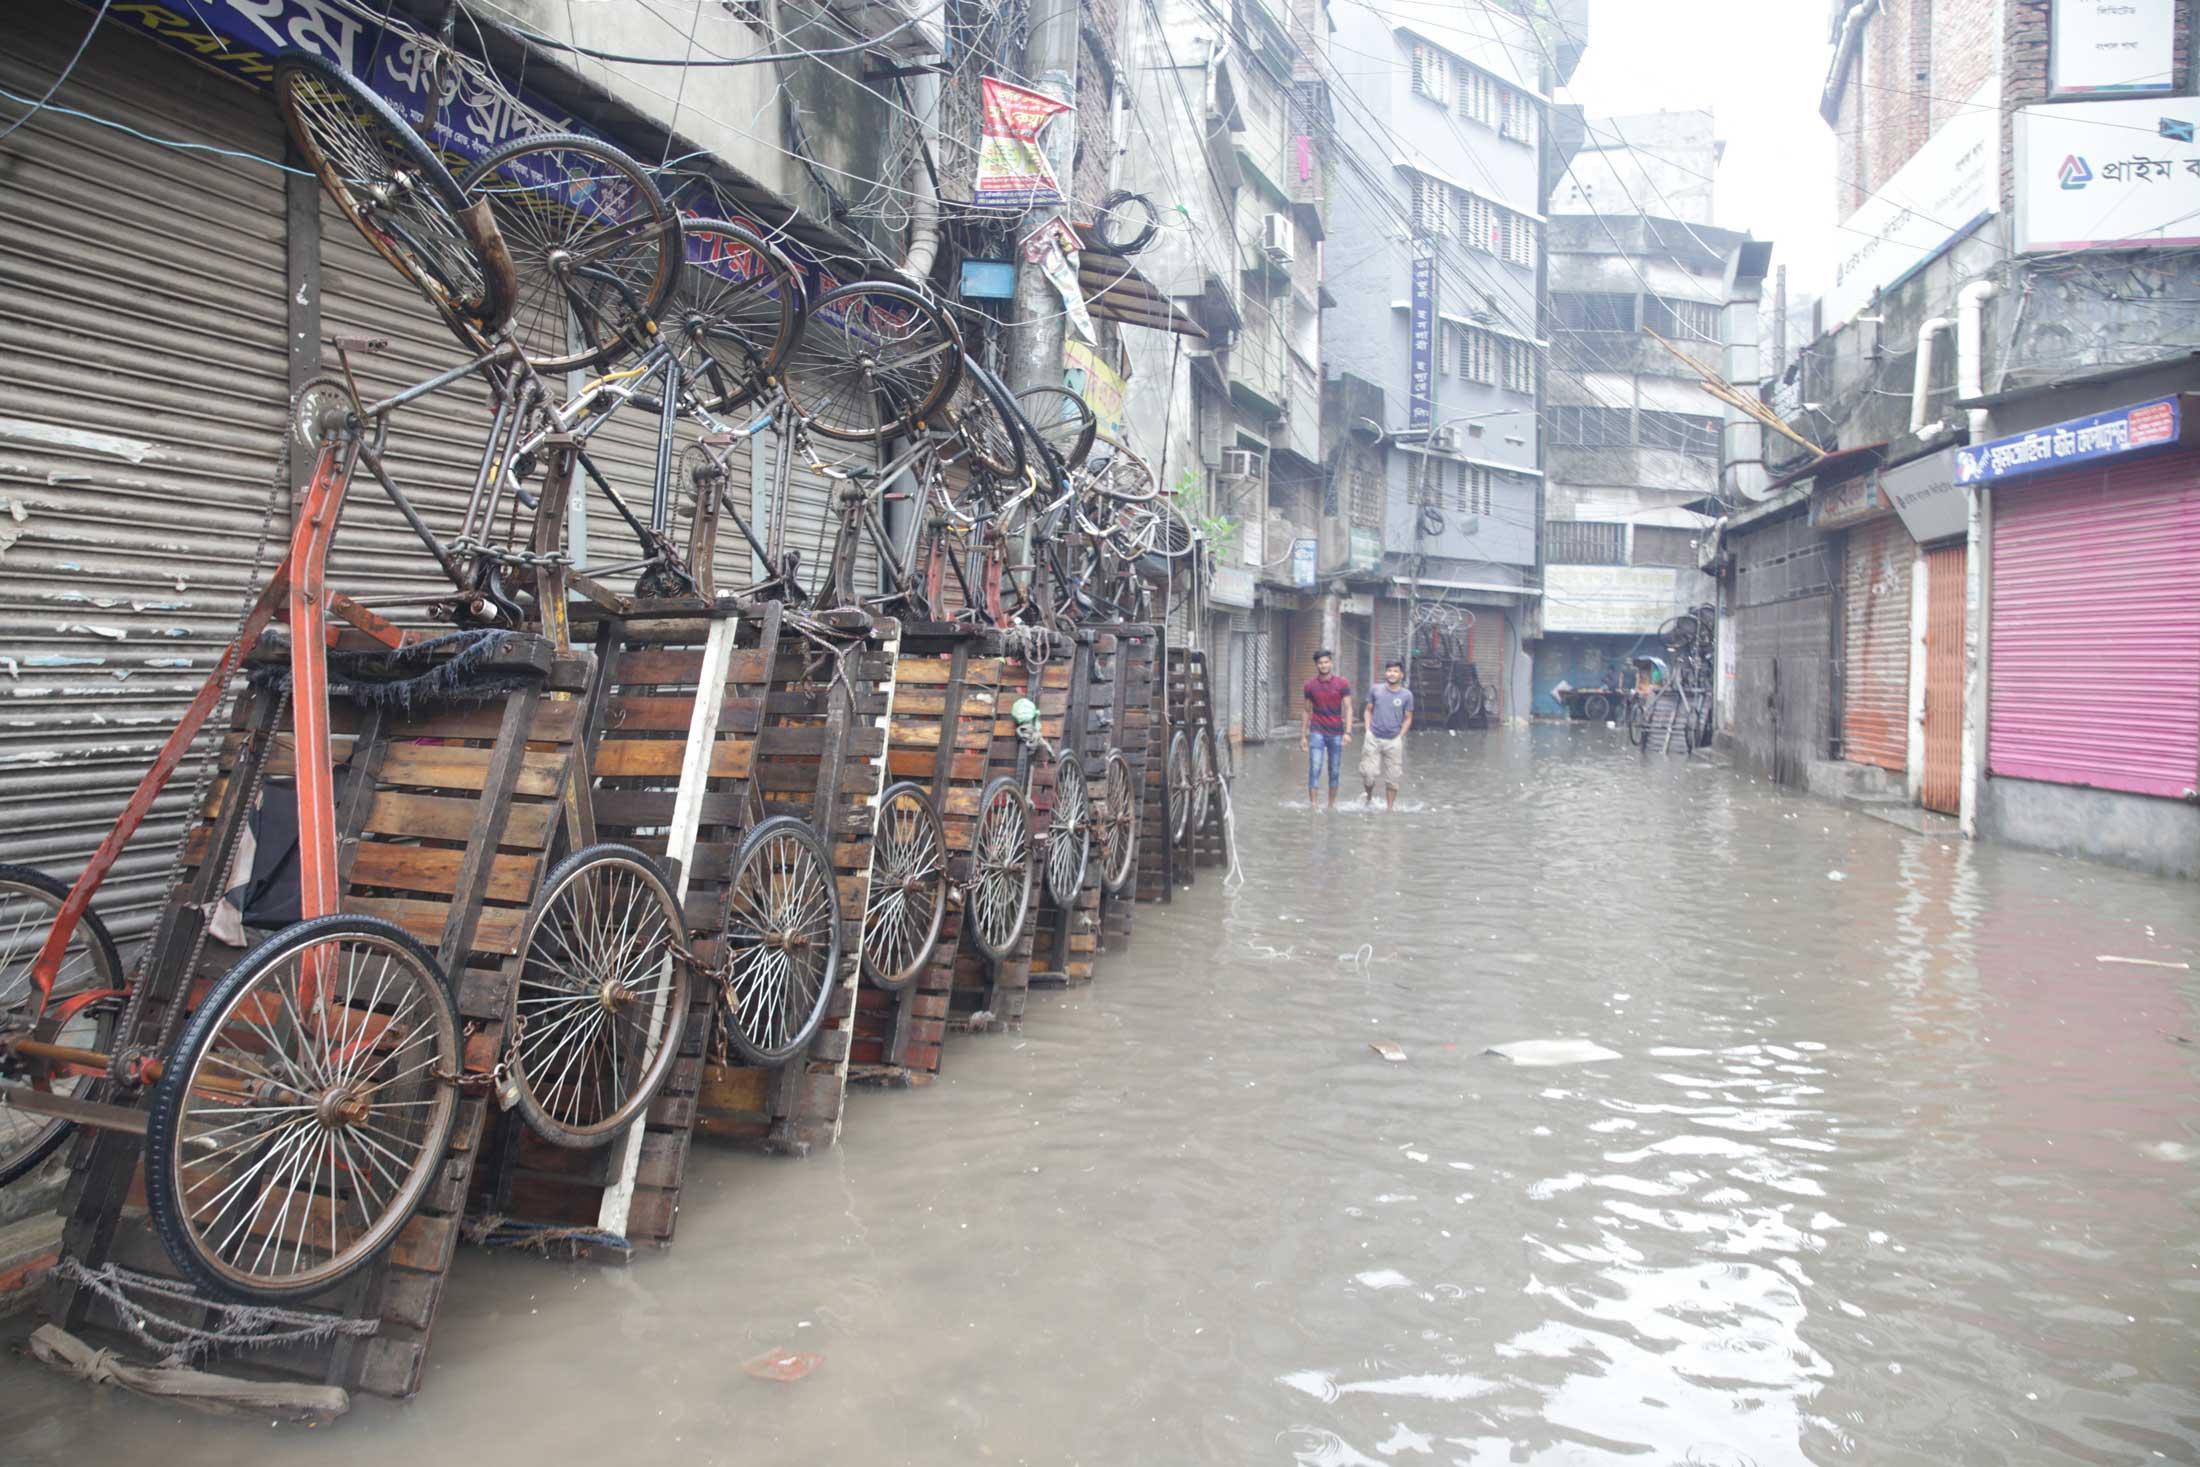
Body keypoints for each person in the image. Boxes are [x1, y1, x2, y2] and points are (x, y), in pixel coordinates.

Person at [1300, 648, 1353, 808]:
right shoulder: (1310, 685)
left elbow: (1348, 708)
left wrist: (1348, 732)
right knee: (1315, 767)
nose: (1323, 665)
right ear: (1316, 665)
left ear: (1331, 663)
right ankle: (1314, 806)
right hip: (1317, 731)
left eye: (1326, 662)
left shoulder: (1342, 683)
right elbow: (1306, 710)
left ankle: (1331, 806)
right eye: (1320, 663)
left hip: (1336, 732)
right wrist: (1303, 736)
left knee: (1334, 770)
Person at [1361, 659, 1414, 809]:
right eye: (1389, 670)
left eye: (1395, 671)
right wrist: (1367, 730)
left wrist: (1400, 736)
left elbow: (1408, 718)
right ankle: (1369, 799)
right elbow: (1368, 710)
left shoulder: (1407, 695)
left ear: (1401, 675)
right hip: (1373, 738)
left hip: (1394, 740)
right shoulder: (1375, 689)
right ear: (1385, 672)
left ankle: (1389, 809)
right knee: (1368, 774)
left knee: (1393, 778)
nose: (1392, 674)